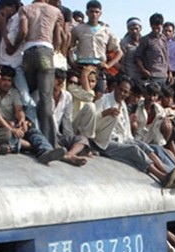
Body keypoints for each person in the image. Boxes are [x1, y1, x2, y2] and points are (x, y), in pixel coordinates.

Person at [13, 0, 65, 147]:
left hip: (29, 52)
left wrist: (15, 46)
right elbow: (58, 41)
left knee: (28, 95)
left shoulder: (26, 9)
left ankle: (29, 135)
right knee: (45, 99)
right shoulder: (56, 12)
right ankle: (50, 142)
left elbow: (23, 32)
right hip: (46, 53)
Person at [69, 0, 122, 94]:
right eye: (91, 11)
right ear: (87, 13)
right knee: (80, 94)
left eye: (96, 12)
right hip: (82, 65)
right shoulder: (78, 29)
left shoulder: (106, 31)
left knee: (99, 95)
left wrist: (108, 65)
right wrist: (72, 63)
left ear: (100, 13)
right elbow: (69, 47)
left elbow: (119, 52)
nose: (94, 14)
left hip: (99, 67)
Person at [135, 13, 171, 86]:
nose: (156, 30)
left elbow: (166, 56)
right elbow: (137, 57)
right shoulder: (145, 39)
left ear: (162, 25)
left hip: (164, 76)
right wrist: (143, 70)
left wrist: (170, 72)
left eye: (158, 28)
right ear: (150, 26)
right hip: (152, 75)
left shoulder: (164, 39)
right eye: (154, 28)